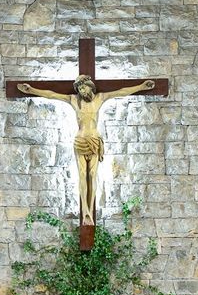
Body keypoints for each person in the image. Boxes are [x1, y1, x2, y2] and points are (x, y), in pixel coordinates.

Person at [18, 75, 155, 226]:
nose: (82, 91)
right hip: (80, 141)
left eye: (84, 87)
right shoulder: (73, 100)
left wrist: (141, 87)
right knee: (82, 175)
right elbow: (51, 95)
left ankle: (90, 207)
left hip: (95, 141)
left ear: (90, 86)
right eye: (79, 89)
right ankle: (86, 212)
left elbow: (121, 92)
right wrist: (31, 90)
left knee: (92, 175)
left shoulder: (100, 98)